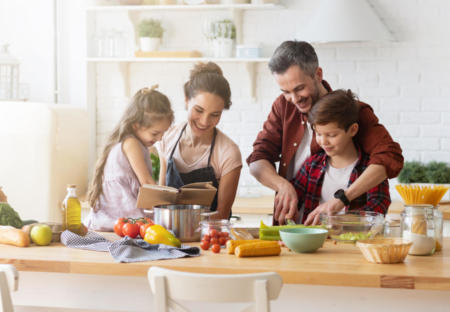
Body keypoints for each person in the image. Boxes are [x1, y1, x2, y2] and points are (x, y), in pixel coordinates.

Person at [247, 40, 403, 225]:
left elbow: (389, 156)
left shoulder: (352, 111)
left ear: (318, 74)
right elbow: (257, 159)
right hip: (294, 226)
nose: (294, 99)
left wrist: (342, 200)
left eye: (299, 88)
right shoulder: (283, 106)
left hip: (343, 231)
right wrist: (282, 185)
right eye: (286, 91)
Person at [292, 89, 391, 225]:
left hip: (353, 243)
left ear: (353, 130)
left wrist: (335, 220)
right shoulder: (312, 165)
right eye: (318, 134)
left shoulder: (370, 169)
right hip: (314, 243)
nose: (323, 141)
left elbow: (378, 209)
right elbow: (293, 199)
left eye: (331, 135)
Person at [158, 62, 242, 219]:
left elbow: (222, 215)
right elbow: (161, 201)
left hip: (209, 238)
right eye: (199, 110)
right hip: (168, 237)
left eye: (215, 114)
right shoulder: (167, 137)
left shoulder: (228, 152)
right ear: (186, 100)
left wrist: (187, 227)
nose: (204, 121)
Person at [85, 86, 174, 231]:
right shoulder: (131, 143)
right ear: (136, 125)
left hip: (120, 217)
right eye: (155, 133)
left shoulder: (136, 142)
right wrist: (168, 205)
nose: (159, 138)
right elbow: (146, 182)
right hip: (118, 217)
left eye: (163, 133)